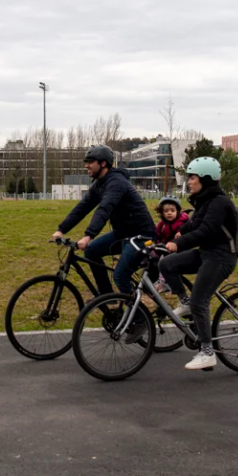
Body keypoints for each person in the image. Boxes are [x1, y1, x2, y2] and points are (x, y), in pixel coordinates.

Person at [52, 145, 157, 339]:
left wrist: (88, 235)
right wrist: (61, 229)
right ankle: (107, 297)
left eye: (90, 163)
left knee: (120, 276)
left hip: (141, 236)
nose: (87, 167)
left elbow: (105, 208)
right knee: (91, 251)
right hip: (123, 234)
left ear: (103, 164)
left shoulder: (116, 182)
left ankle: (141, 320)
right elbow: (82, 207)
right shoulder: (99, 184)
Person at [160, 156, 238, 371]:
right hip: (207, 253)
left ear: (205, 178)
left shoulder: (220, 203)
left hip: (221, 257)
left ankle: (207, 351)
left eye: (192, 177)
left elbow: (207, 231)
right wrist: (178, 234)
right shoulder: (205, 201)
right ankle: (184, 301)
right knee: (166, 265)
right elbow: (194, 224)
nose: (190, 181)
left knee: (200, 302)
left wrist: (179, 242)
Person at [153, 196, 189, 294]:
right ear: (162, 212)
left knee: (163, 261)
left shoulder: (181, 223)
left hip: (177, 249)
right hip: (164, 247)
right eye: (166, 211)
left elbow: (185, 235)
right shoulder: (162, 224)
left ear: (177, 211)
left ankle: (163, 282)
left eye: (172, 210)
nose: (169, 213)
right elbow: (157, 235)